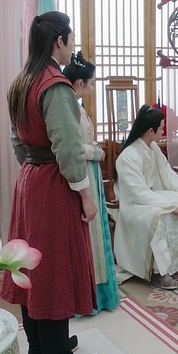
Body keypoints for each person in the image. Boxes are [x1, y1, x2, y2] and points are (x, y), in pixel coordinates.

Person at [1, 11, 98, 354]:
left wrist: (32, 168)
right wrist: (85, 194)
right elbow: (68, 147)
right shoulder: (54, 84)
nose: (72, 46)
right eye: (71, 40)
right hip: (53, 185)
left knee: (31, 266)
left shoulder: (21, 81)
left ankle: (40, 348)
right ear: (60, 41)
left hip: (29, 180)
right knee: (53, 266)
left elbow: (17, 140)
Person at [113, 104, 178, 290]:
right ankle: (158, 271)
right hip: (135, 205)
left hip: (151, 197)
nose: (163, 131)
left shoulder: (152, 147)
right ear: (151, 131)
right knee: (159, 217)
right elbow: (137, 192)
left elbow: (166, 172)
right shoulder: (128, 156)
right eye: (161, 128)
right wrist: (168, 205)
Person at [63, 52, 119, 313]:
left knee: (96, 232)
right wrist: (94, 152)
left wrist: (94, 147)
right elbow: (70, 146)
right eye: (92, 83)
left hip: (90, 171)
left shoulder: (78, 107)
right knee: (89, 233)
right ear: (79, 84)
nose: (93, 87)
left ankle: (98, 292)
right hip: (82, 172)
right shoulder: (70, 108)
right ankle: (89, 294)